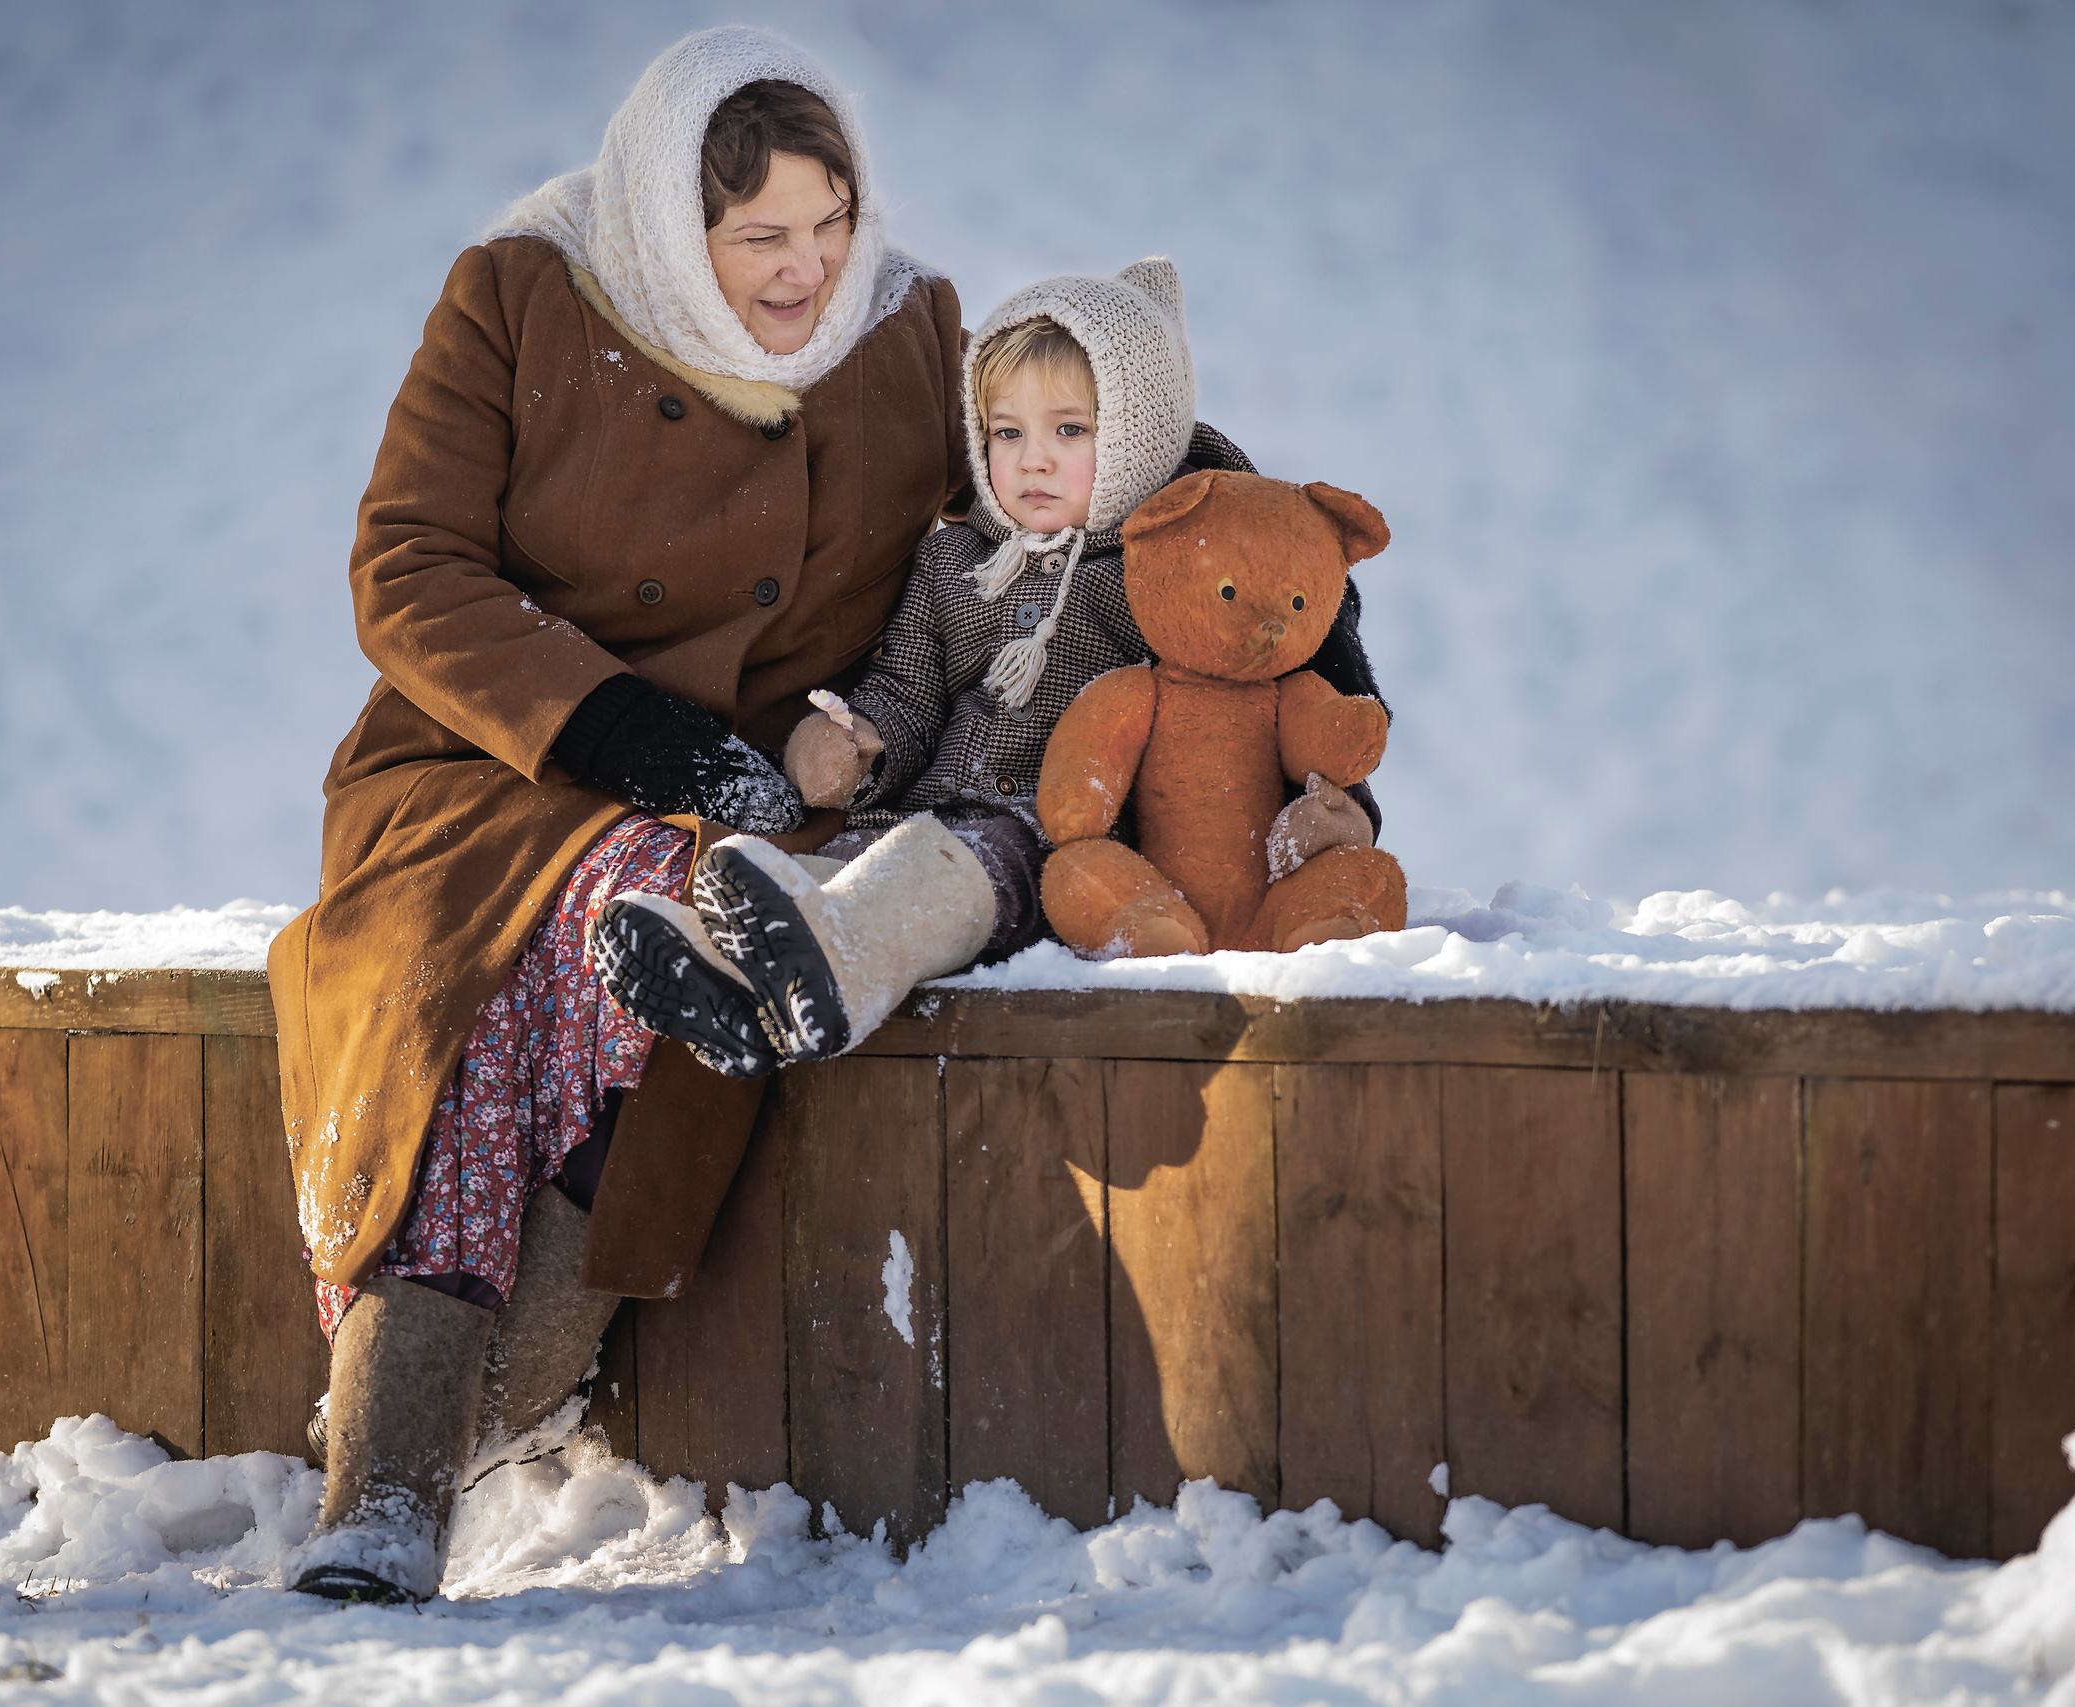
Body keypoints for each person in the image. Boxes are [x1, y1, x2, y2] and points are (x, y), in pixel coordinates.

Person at [267, 27, 970, 1603]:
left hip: (756, 799)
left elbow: (1022, 499)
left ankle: (462, 1419)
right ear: (669, 219)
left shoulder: (910, 324)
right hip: (490, 774)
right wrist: (631, 733)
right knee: (492, 996)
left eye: (832, 223)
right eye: (760, 236)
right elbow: (410, 566)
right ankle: (386, 1491)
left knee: (671, 925)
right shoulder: (524, 292)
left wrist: (1195, 507)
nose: (809, 270)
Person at [592, 261, 1388, 1072]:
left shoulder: (1163, 575)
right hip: (923, 816)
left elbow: (1264, 682)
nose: (1032, 460)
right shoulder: (954, 563)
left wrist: (1335, 802)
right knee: (846, 866)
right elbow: (908, 691)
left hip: (1053, 845)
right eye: (1007, 433)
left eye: (1069, 431)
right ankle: (723, 978)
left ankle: (834, 967)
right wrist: (861, 741)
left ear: (1140, 438)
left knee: (937, 872)